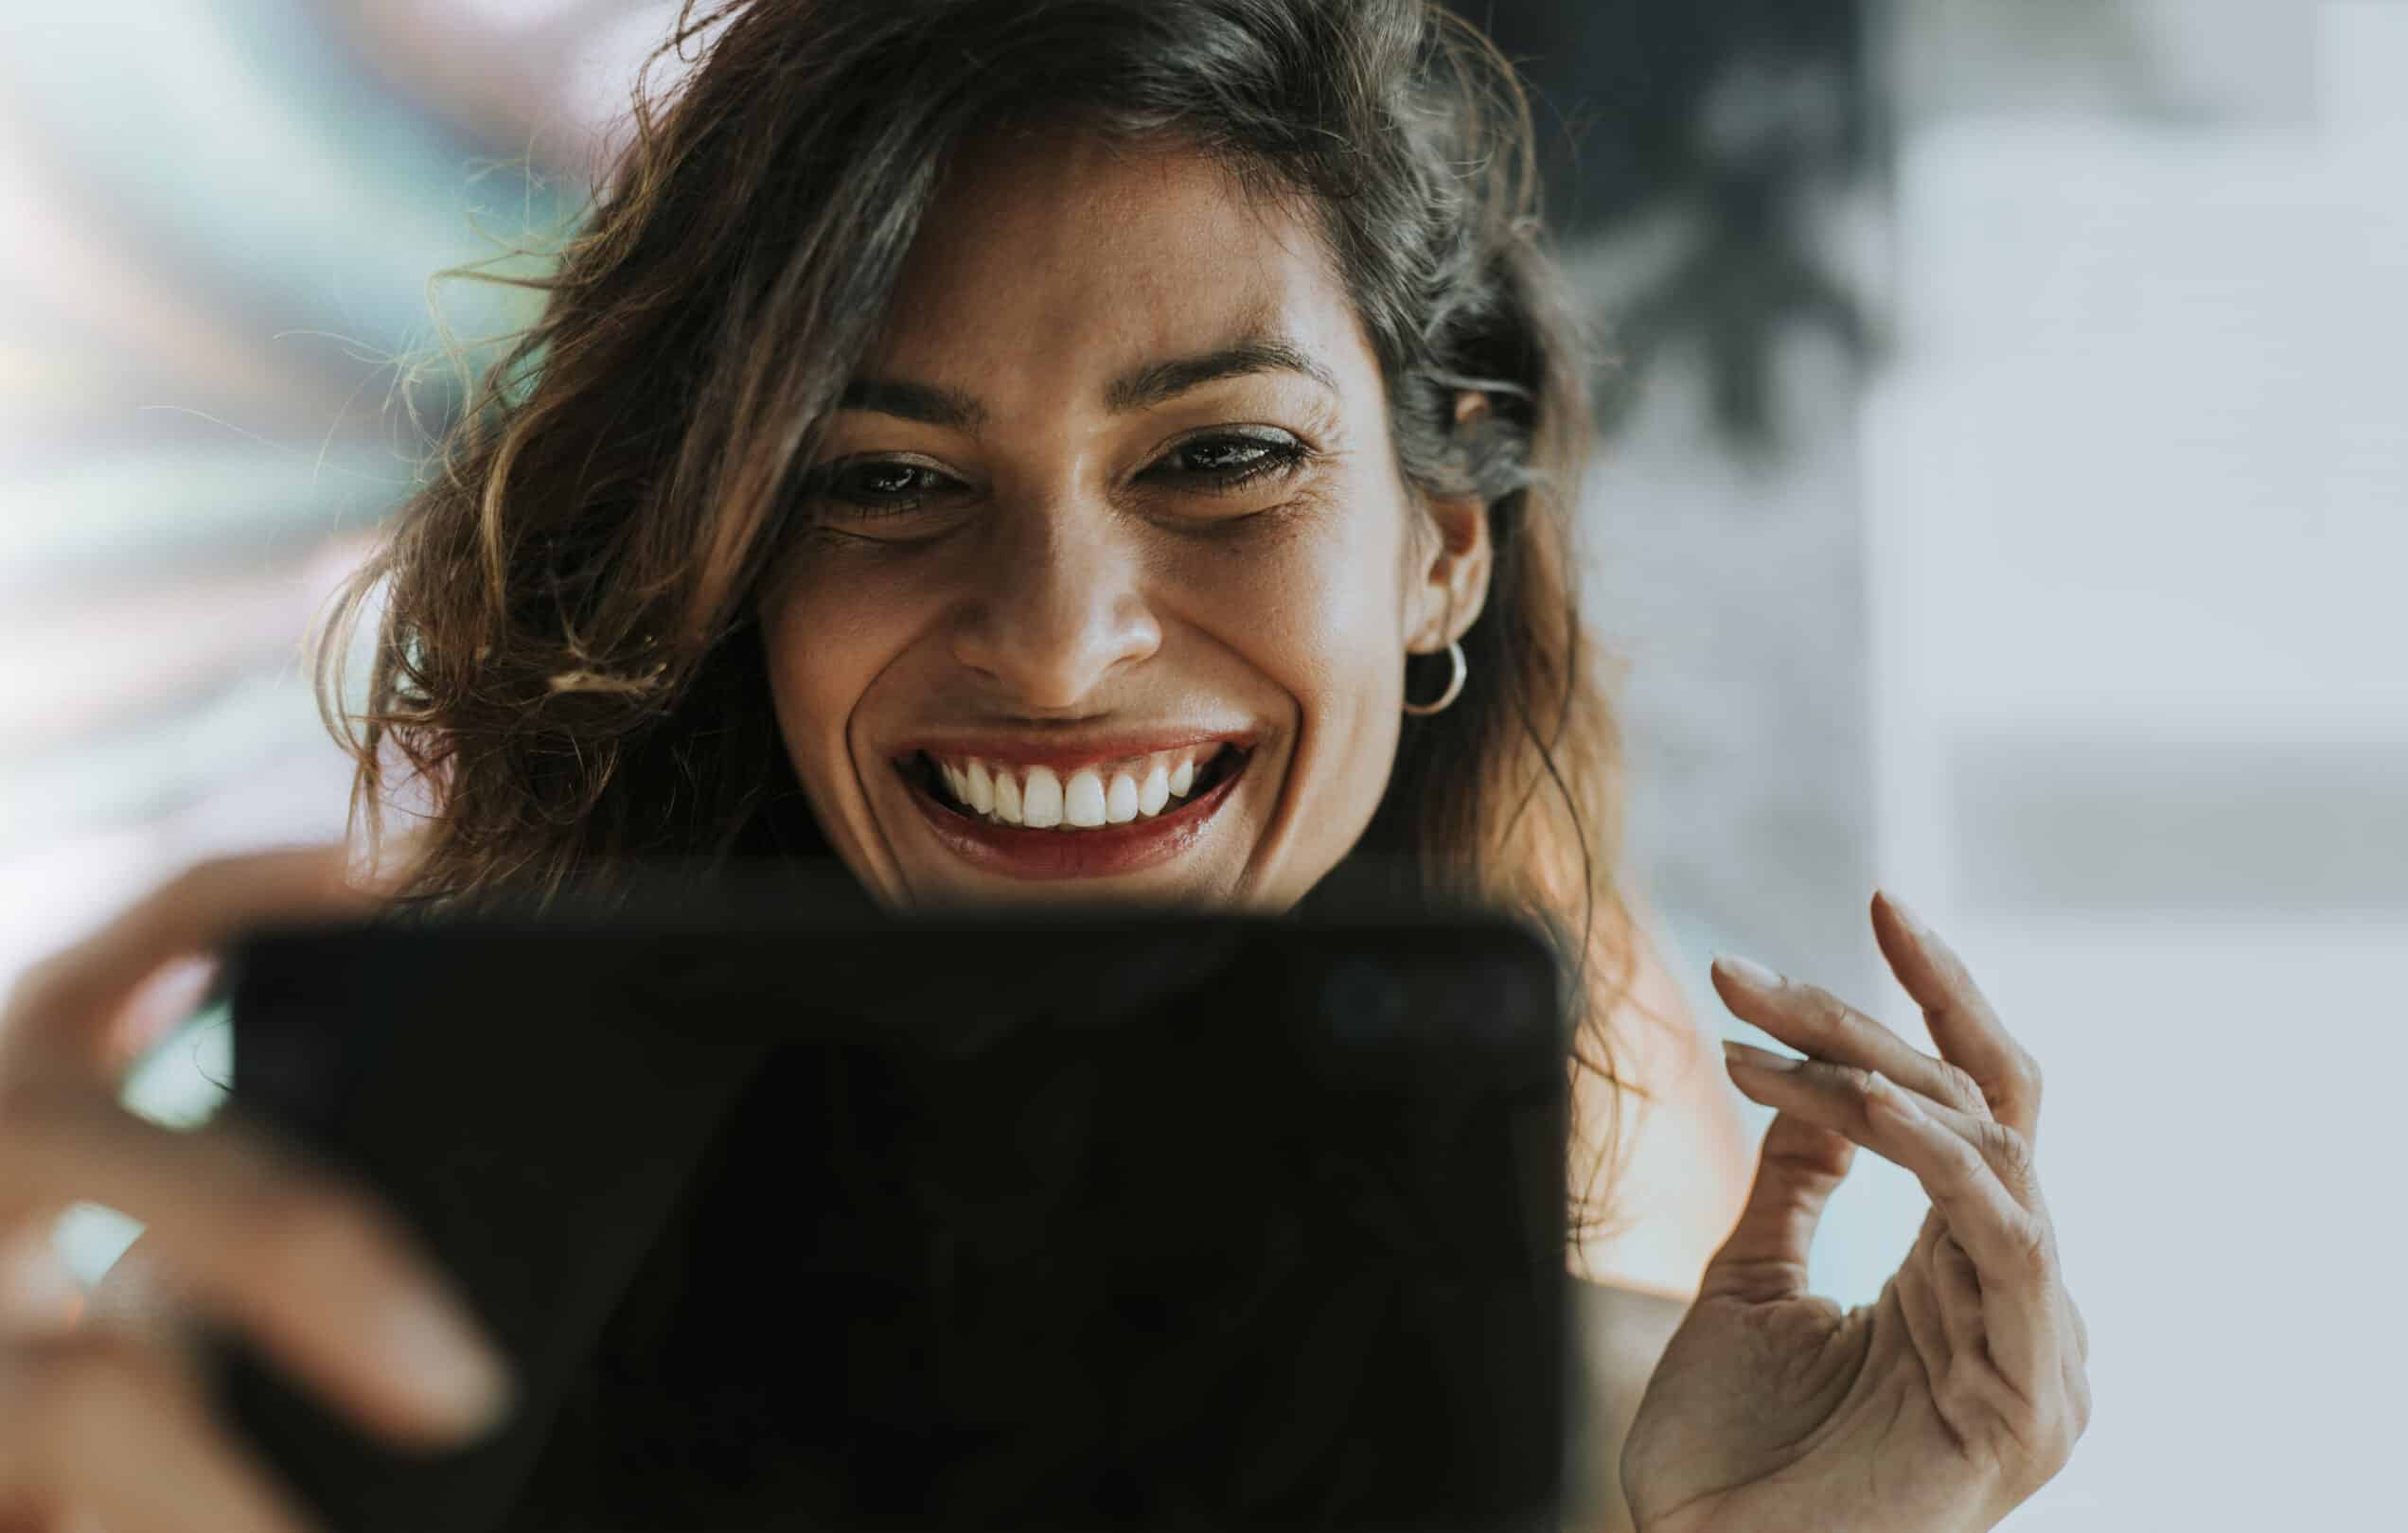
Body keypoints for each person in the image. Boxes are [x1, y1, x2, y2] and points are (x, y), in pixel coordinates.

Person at [0, 2, 2088, 1528]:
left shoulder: (1658, 1474)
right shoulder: (317, 1392)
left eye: (1224, 461)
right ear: (736, 573)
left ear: (1442, 549)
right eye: (887, 482)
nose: (1062, 646)